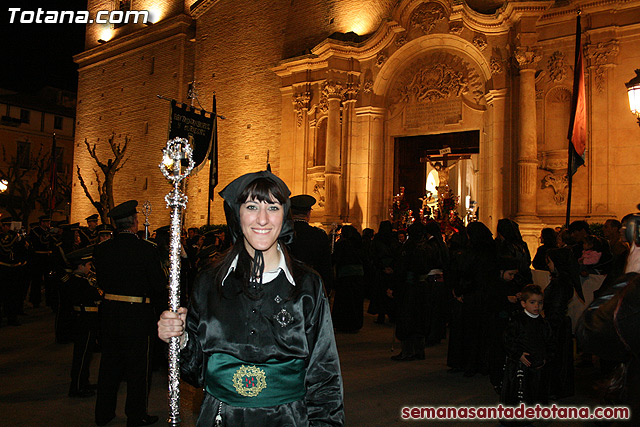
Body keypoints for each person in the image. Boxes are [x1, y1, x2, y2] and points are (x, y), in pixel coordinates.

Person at [158, 171, 344, 427]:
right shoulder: (209, 282)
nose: (263, 219)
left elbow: (325, 374)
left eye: (273, 207)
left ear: (284, 215)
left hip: (288, 420)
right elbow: (195, 373)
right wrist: (180, 340)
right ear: (238, 214)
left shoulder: (307, 285)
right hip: (221, 418)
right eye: (252, 206)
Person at [93, 200, 167, 427]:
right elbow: (157, 285)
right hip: (137, 315)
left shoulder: (101, 249)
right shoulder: (147, 250)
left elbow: (102, 280)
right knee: (138, 368)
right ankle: (136, 415)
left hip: (110, 312)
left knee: (109, 365)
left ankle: (103, 413)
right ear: (135, 223)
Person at [500, 285, 553, 407]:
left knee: (536, 391)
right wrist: (518, 354)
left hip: (538, 365)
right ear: (523, 304)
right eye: (532, 302)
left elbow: (550, 342)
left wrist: (546, 357)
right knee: (520, 392)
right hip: (520, 365)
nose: (536, 306)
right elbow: (507, 340)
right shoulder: (517, 321)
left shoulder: (544, 323)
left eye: (540, 303)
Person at [64, 246, 102, 398]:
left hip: (86, 319)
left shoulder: (81, 280)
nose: (90, 268)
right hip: (84, 320)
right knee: (82, 354)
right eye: (88, 265)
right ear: (80, 266)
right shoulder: (78, 282)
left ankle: (83, 382)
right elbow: (96, 295)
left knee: (86, 354)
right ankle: (77, 387)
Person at [287, 194, 334, 294]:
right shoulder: (319, 235)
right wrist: (326, 289)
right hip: (311, 286)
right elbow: (325, 267)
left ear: (290, 212)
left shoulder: (282, 233)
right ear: (308, 214)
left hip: (286, 284)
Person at [331, 224, 365, 333]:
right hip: (358, 275)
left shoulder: (343, 244)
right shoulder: (359, 244)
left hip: (345, 275)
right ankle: (355, 324)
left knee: (344, 301)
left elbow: (336, 258)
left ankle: (343, 324)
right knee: (356, 301)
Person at [28, 214, 54, 308]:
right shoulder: (35, 231)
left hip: (47, 258)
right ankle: (35, 300)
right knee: (37, 280)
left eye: (49, 222)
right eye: (47, 222)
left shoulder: (49, 232)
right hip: (38, 258)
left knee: (49, 280)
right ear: (42, 222)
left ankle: (49, 300)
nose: (48, 224)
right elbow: (42, 241)